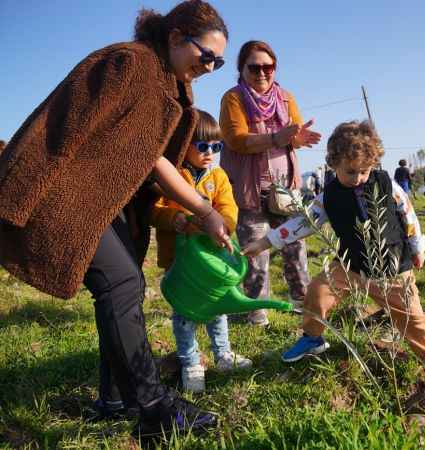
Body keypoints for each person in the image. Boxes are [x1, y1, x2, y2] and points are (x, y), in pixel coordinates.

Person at [0, 0, 230, 438]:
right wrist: (20, 194)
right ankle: (154, 410)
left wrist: (205, 212)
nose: (211, 66)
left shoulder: (166, 83)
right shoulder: (130, 64)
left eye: (218, 62)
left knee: (122, 287)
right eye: (206, 56)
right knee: (121, 284)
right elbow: (61, 126)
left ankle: (115, 397)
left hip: (96, 206)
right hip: (64, 198)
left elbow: (155, 162)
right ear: (176, 36)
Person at [242, 120, 425, 400]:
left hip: (392, 269)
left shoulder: (385, 183)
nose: (358, 177)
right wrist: (264, 242)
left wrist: (417, 246)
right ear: (334, 164)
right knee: (317, 292)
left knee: (412, 318)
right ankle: (313, 337)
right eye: (350, 172)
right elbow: (303, 223)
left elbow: (408, 213)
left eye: (364, 171)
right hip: (350, 266)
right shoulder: (329, 196)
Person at [219, 40, 321, 326]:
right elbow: (236, 139)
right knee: (255, 253)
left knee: (295, 247)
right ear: (241, 68)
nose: (262, 72)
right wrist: (278, 137)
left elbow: (294, 134)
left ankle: (304, 305)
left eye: (269, 67)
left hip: (286, 190)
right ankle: (256, 313)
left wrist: (298, 139)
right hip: (249, 191)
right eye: (255, 67)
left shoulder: (286, 98)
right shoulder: (233, 99)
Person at [150, 110, 252, 393]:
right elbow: (155, 210)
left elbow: (229, 207)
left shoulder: (218, 177)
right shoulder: (171, 174)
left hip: (211, 259)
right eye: (203, 146)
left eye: (216, 147)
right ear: (184, 144)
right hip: (180, 261)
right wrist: (173, 219)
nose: (210, 153)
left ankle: (223, 354)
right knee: (184, 314)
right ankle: (191, 362)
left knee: (216, 307)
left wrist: (226, 225)